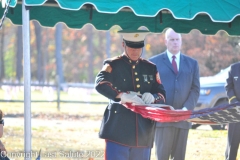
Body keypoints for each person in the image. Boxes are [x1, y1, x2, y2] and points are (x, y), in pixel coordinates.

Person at [95, 29, 166, 160]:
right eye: (132, 47)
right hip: (118, 131)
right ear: (123, 45)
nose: (135, 51)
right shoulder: (113, 64)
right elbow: (100, 83)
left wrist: (153, 97)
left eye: (139, 48)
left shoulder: (150, 67)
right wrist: (121, 96)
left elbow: (161, 93)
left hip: (143, 132)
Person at [149, 28, 200, 160]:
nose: (175, 42)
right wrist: (163, 109)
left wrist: (184, 110)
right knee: (162, 157)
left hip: (183, 120)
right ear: (166, 41)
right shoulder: (153, 63)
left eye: (177, 39)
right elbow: (150, 89)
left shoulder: (192, 64)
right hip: (162, 120)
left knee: (179, 157)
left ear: (181, 41)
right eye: (172, 39)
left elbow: (195, 90)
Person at [225, 61, 240, 160]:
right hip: (235, 113)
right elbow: (228, 87)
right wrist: (235, 102)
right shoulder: (233, 68)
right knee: (232, 147)